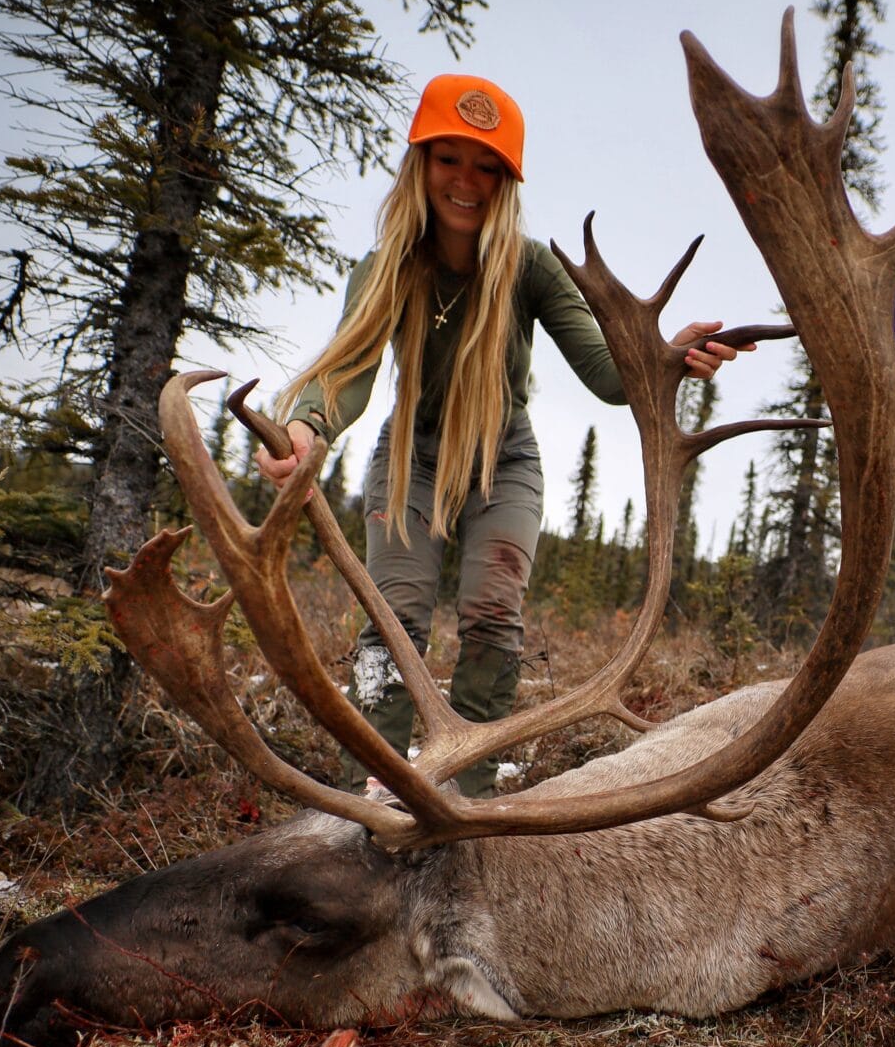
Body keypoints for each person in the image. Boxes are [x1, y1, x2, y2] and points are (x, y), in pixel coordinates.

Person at [261, 73, 748, 797]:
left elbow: (611, 376)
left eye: (488, 166)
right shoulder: (384, 269)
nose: (467, 181)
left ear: (507, 181)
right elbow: (349, 368)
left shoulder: (530, 267)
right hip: (412, 458)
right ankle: (366, 791)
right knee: (391, 619)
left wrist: (665, 359)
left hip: (505, 459)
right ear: (419, 163)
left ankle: (471, 792)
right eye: (449, 158)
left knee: (492, 615)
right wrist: (306, 426)